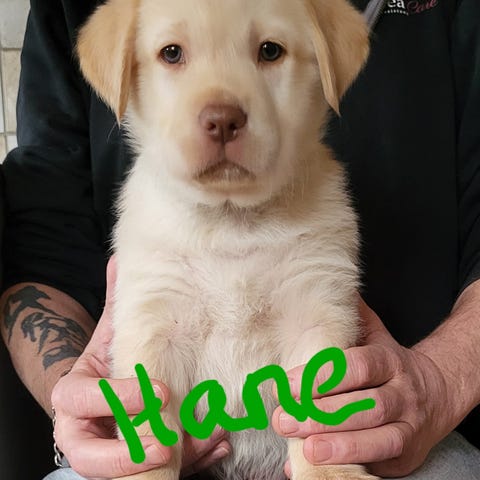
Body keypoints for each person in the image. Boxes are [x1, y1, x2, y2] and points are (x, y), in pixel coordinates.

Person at [1, 0, 480, 479]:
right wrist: (94, 417)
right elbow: (43, 242)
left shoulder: (323, 209)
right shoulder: (145, 218)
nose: (222, 110)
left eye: (270, 51)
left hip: (390, 435)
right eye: (172, 53)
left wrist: (437, 381)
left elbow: (314, 339)